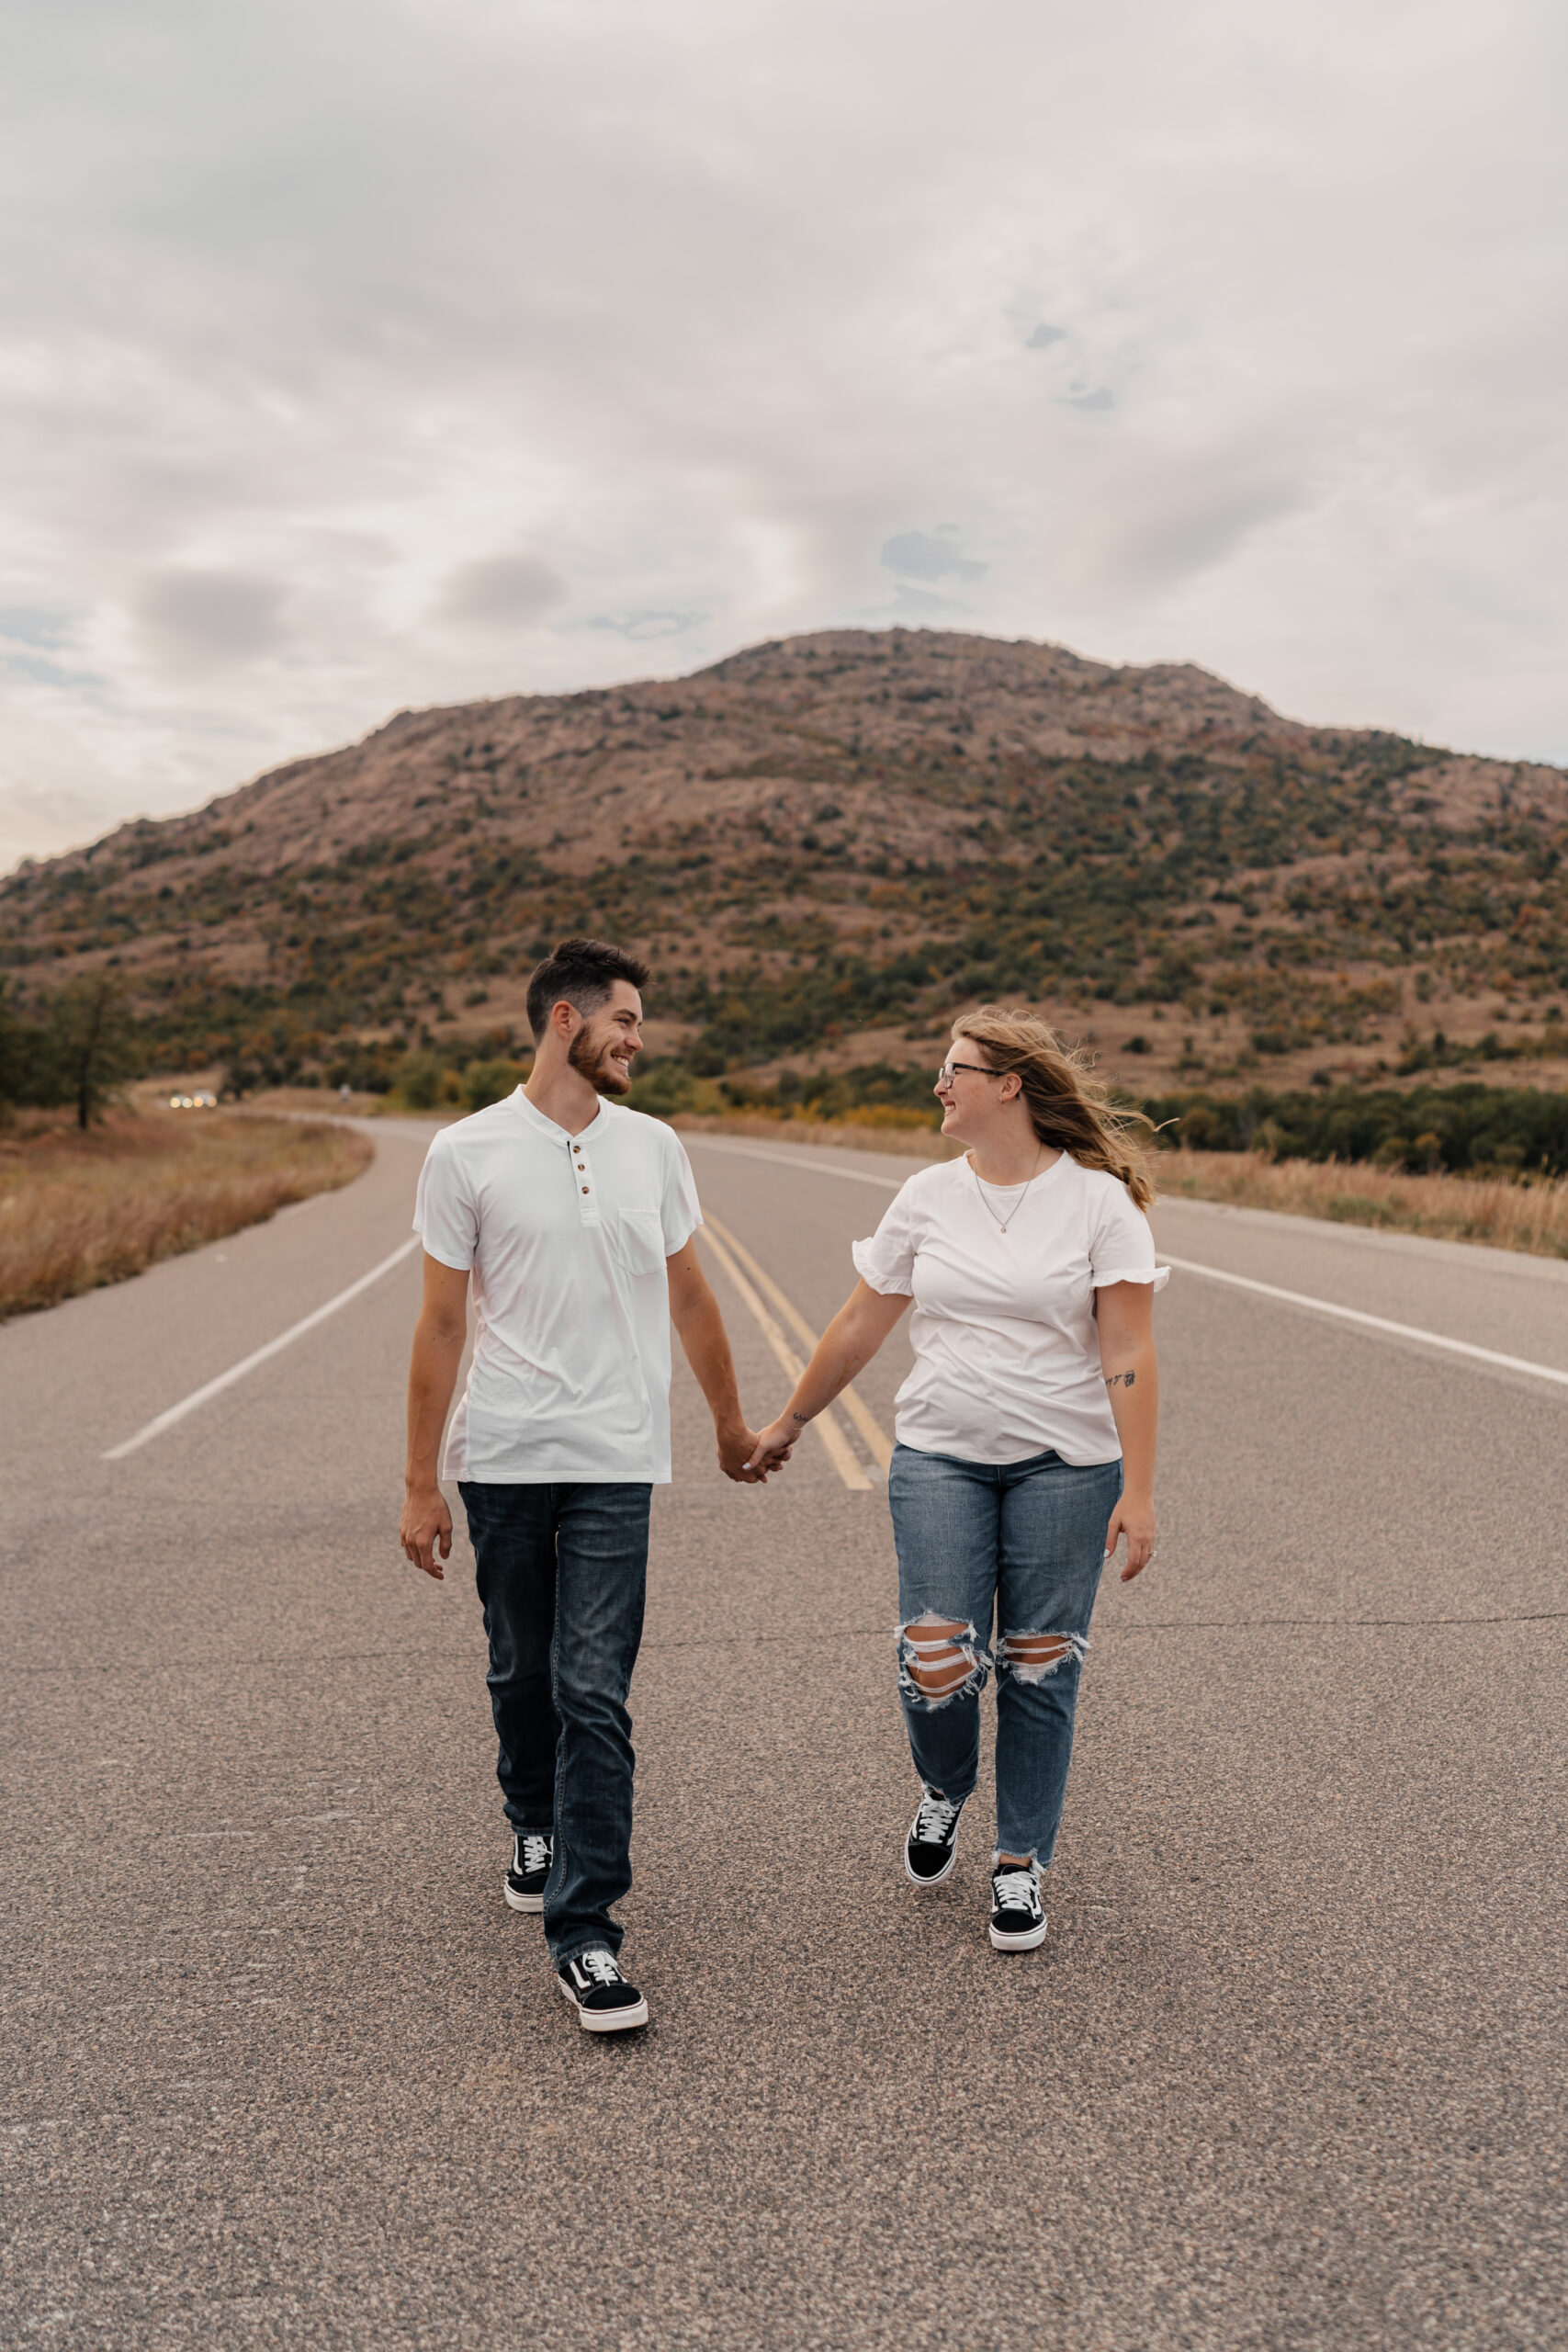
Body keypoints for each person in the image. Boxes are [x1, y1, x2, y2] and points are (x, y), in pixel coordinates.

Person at [400, 937, 772, 2033]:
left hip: (618, 1454)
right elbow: (439, 1323)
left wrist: (728, 1422)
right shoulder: (464, 1153)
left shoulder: (653, 1147)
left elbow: (693, 1295)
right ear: (566, 1019)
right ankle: (531, 1813)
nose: (638, 1040)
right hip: (507, 1452)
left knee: (593, 1687)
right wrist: (421, 1482)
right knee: (522, 1667)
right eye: (626, 1020)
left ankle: (587, 1930)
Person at [748, 1005, 1165, 1952]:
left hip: (1067, 1465)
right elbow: (862, 1321)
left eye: (955, 1070)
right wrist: (792, 1420)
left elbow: (1129, 1346)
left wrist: (1139, 1488)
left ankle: (1020, 1864)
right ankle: (945, 1785)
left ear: (1008, 1084)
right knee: (936, 1657)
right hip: (941, 1455)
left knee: (1040, 1661)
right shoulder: (926, 1197)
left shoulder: (1100, 1201)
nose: (940, 1084)